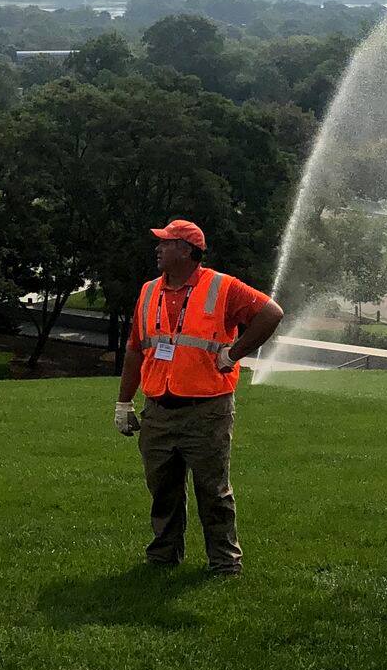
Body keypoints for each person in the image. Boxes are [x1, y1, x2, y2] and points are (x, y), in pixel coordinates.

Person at [114, 219, 284, 573]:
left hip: (207, 410)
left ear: (187, 251)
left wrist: (233, 354)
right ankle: (163, 557)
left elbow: (271, 313)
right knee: (162, 489)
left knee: (213, 491)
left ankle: (224, 563)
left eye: (166, 243)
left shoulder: (222, 287)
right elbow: (135, 349)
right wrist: (124, 403)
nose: (158, 248)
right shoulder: (148, 292)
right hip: (158, 409)